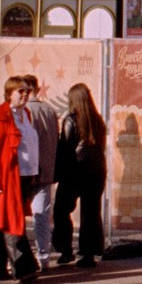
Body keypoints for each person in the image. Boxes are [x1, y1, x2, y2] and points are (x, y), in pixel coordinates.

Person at [0, 77, 41, 284]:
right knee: (12, 219)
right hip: (7, 177)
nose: (25, 94)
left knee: (5, 219)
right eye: (20, 91)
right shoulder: (0, 116)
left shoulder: (25, 114)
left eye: (27, 91)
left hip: (24, 176)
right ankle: (23, 268)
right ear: (9, 93)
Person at [52, 82, 108, 269]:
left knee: (61, 209)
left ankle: (65, 249)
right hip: (97, 171)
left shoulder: (71, 120)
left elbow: (65, 148)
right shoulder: (97, 120)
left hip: (74, 171)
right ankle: (89, 253)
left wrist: (57, 173)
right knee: (91, 213)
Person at [22, 75, 60, 265]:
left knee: (19, 216)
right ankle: (43, 257)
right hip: (46, 170)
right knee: (42, 217)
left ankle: (19, 256)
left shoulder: (24, 111)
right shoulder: (50, 111)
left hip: (27, 171)